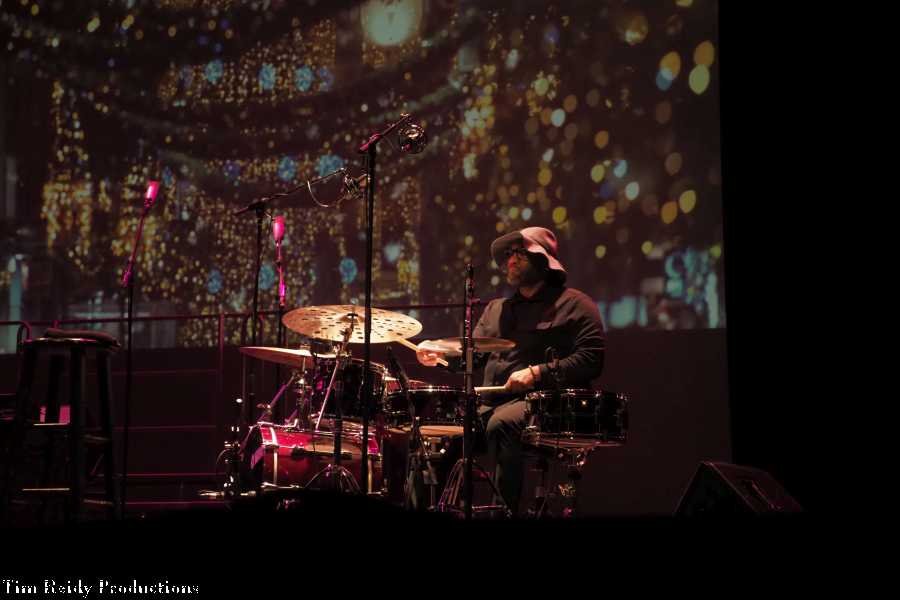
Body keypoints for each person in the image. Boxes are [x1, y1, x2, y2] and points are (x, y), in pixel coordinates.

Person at [416, 227, 605, 513]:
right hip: (491, 405)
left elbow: (591, 359)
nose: (511, 260)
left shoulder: (575, 304)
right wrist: (438, 354)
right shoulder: (497, 309)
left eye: (520, 253)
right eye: (508, 255)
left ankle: (503, 512)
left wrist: (537, 373)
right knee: (438, 434)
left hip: (545, 406)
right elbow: (472, 358)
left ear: (543, 261)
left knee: (502, 424)